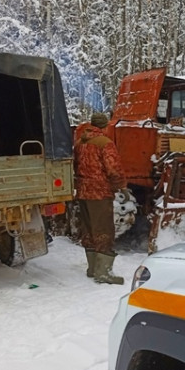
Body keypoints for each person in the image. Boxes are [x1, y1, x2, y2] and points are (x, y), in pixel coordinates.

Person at [74, 112, 127, 284]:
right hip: (100, 193)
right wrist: (121, 186)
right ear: (104, 126)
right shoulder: (105, 143)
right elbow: (113, 168)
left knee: (89, 229)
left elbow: (75, 166)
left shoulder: (79, 143)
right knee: (104, 230)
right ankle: (103, 272)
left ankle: (92, 268)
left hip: (83, 192)